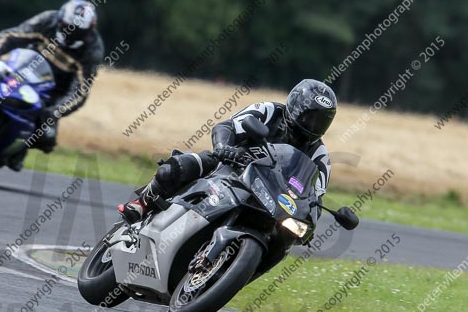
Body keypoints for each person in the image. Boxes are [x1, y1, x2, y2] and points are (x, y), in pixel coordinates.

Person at [119, 79, 336, 224]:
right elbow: (227, 126)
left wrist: (310, 214)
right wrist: (224, 147)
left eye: (320, 122)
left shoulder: (320, 155)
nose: (312, 125)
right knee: (177, 167)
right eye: (308, 117)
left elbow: (316, 198)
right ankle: (143, 203)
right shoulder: (270, 111)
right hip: (230, 168)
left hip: (271, 200)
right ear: (295, 106)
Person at [0, 0, 105, 170]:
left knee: (46, 136)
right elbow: (12, 35)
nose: (70, 33)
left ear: (89, 31)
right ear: (60, 20)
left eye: (77, 32)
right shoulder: (47, 20)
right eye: (67, 27)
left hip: (52, 91)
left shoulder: (92, 51)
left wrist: (56, 110)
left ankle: (16, 150)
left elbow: (81, 91)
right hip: (21, 69)